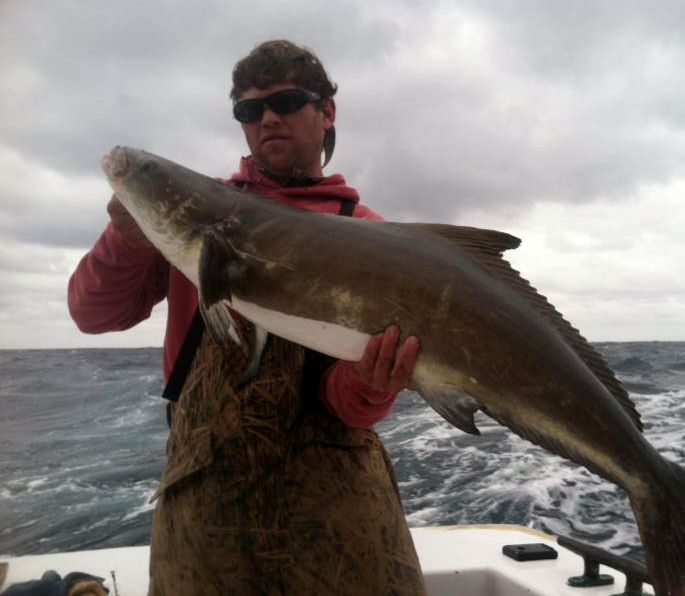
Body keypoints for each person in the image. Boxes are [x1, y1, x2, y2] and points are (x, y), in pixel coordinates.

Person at [68, 40, 428, 595]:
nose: (267, 118)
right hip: (203, 507)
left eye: (286, 100)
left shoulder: (372, 236)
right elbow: (94, 314)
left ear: (327, 111)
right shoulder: (189, 213)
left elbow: (345, 405)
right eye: (248, 109)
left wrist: (370, 384)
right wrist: (128, 236)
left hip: (337, 508)